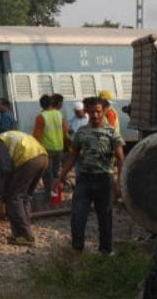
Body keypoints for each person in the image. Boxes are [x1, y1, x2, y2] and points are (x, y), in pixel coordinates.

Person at [54, 97, 124, 254]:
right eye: (91, 112)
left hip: (104, 179)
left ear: (103, 111)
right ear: (86, 112)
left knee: (105, 217)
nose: (95, 115)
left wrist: (119, 182)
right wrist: (60, 176)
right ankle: (77, 250)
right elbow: (73, 155)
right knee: (77, 216)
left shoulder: (111, 133)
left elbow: (120, 158)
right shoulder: (81, 132)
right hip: (84, 180)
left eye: (98, 111)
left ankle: (106, 251)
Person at [0, 129, 48, 246]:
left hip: (29, 159)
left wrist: (2, 191)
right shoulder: (7, 137)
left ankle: (24, 235)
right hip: (43, 157)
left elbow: (4, 168)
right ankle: (23, 232)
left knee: (14, 197)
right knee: (25, 197)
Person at [32, 94, 66, 187]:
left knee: (47, 173)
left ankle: (50, 195)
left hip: (47, 149)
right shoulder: (59, 114)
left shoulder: (41, 117)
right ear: (51, 103)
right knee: (55, 173)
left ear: (41, 105)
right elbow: (65, 131)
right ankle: (57, 195)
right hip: (59, 148)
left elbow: (37, 136)